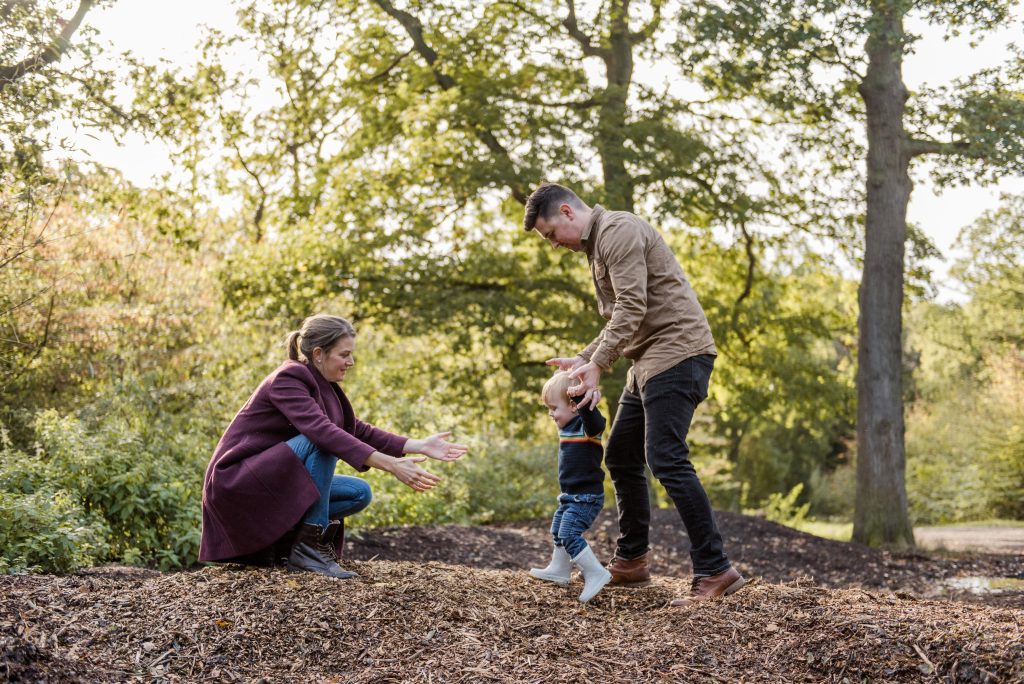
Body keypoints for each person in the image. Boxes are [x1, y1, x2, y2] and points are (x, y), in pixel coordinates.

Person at [523, 183, 745, 607]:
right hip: (648, 362)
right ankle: (632, 559)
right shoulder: (598, 246)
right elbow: (622, 319)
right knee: (622, 454)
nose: (553, 245)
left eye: (551, 234)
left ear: (567, 212)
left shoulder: (618, 231)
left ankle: (716, 568)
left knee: (666, 457)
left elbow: (632, 306)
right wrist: (584, 358)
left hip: (678, 353)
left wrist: (599, 362)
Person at [199, 314, 468, 579]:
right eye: (344, 354)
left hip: (268, 481)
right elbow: (323, 432)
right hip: (237, 484)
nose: (350, 362)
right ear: (319, 353)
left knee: (358, 493)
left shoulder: (322, 384)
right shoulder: (288, 378)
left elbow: (357, 429)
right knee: (322, 441)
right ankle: (310, 549)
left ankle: (286, 545)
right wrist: (391, 464)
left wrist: (418, 445)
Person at [529, 371, 611, 603]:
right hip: (570, 496)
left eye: (554, 408)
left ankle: (595, 572)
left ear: (575, 406)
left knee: (569, 534)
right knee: (557, 530)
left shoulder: (587, 425)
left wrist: (583, 398)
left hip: (586, 497)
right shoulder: (566, 426)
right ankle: (559, 569)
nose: (551, 414)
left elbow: (597, 422)